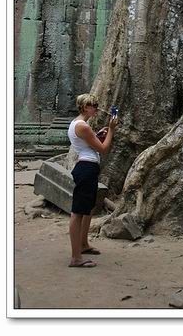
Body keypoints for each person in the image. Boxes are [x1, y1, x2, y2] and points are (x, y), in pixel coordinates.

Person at [67, 93, 118, 268]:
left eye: (96, 104)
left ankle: (83, 245)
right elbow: (103, 149)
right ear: (84, 107)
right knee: (78, 211)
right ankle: (76, 258)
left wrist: (97, 134)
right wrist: (111, 129)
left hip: (87, 167)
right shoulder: (83, 126)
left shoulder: (79, 125)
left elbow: (88, 143)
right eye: (93, 105)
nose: (96, 107)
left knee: (87, 209)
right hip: (86, 169)